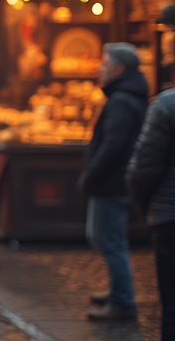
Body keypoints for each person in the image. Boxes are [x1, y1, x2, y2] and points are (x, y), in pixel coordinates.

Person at [79, 42, 148, 321]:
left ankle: (122, 301)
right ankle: (119, 290)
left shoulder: (121, 99)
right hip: (114, 179)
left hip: (111, 181)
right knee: (105, 237)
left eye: (104, 64)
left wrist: (92, 174)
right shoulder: (126, 95)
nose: (100, 68)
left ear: (118, 68)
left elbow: (114, 144)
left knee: (110, 239)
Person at [128, 84, 175, 339]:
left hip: (169, 215)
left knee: (172, 305)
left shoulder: (167, 104)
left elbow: (145, 166)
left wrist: (145, 206)